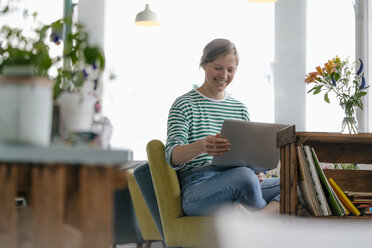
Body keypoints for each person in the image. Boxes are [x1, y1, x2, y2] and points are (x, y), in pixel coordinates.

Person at [165, 38, 280, 216]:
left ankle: (258, 217)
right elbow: (172, 156)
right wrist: (202, 146)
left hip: (239, 180)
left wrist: (255, 173)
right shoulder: (184, 104)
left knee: (299, 182)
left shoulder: (240, 109)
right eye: (218, 68)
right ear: (204, 65)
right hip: (197, 188)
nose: (224, 76)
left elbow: (246, 158)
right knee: (244, 176)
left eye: (230, 70)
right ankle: (265, 227)